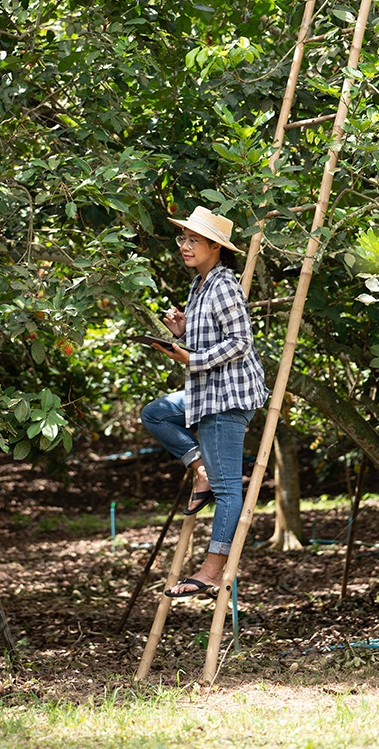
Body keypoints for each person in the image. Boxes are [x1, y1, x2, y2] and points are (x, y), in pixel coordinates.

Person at [140, 205, 269, 598]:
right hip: (206, 392)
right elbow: (214, 338)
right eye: (184, 239)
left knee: (230, 489)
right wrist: (181, 331)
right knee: (155, 413)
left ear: (216, 247)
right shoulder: (200, 285)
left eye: (194, 240)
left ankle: (213, 570)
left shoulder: (224, 284)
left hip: (227, 397)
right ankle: (200, 469)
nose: (185, 246)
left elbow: (240, 342)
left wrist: (192, 358)